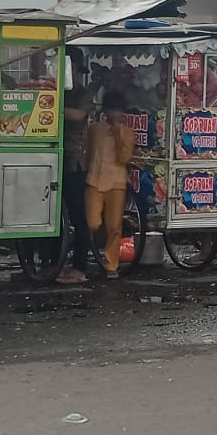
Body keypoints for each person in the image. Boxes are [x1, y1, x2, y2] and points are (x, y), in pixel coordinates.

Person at [86, 91, 135, 280]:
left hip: (116, 182)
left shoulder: (127, 132)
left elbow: (124, 157)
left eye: (118, 111)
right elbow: (89, 152)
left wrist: (117, 135)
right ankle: (95, 248)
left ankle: (111, 264)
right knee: (93, 222)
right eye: (112, 110)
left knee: (114, 226)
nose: (115, 114)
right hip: (94, 180)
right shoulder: (94, 129)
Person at [58, 52, 92, 284]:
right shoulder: (53, 88)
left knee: (79, 217)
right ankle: (51, 264)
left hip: (74, 161)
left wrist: (49, 107)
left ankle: (80, 267)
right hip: (52, 158)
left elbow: (79, 114)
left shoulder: (82, 93)